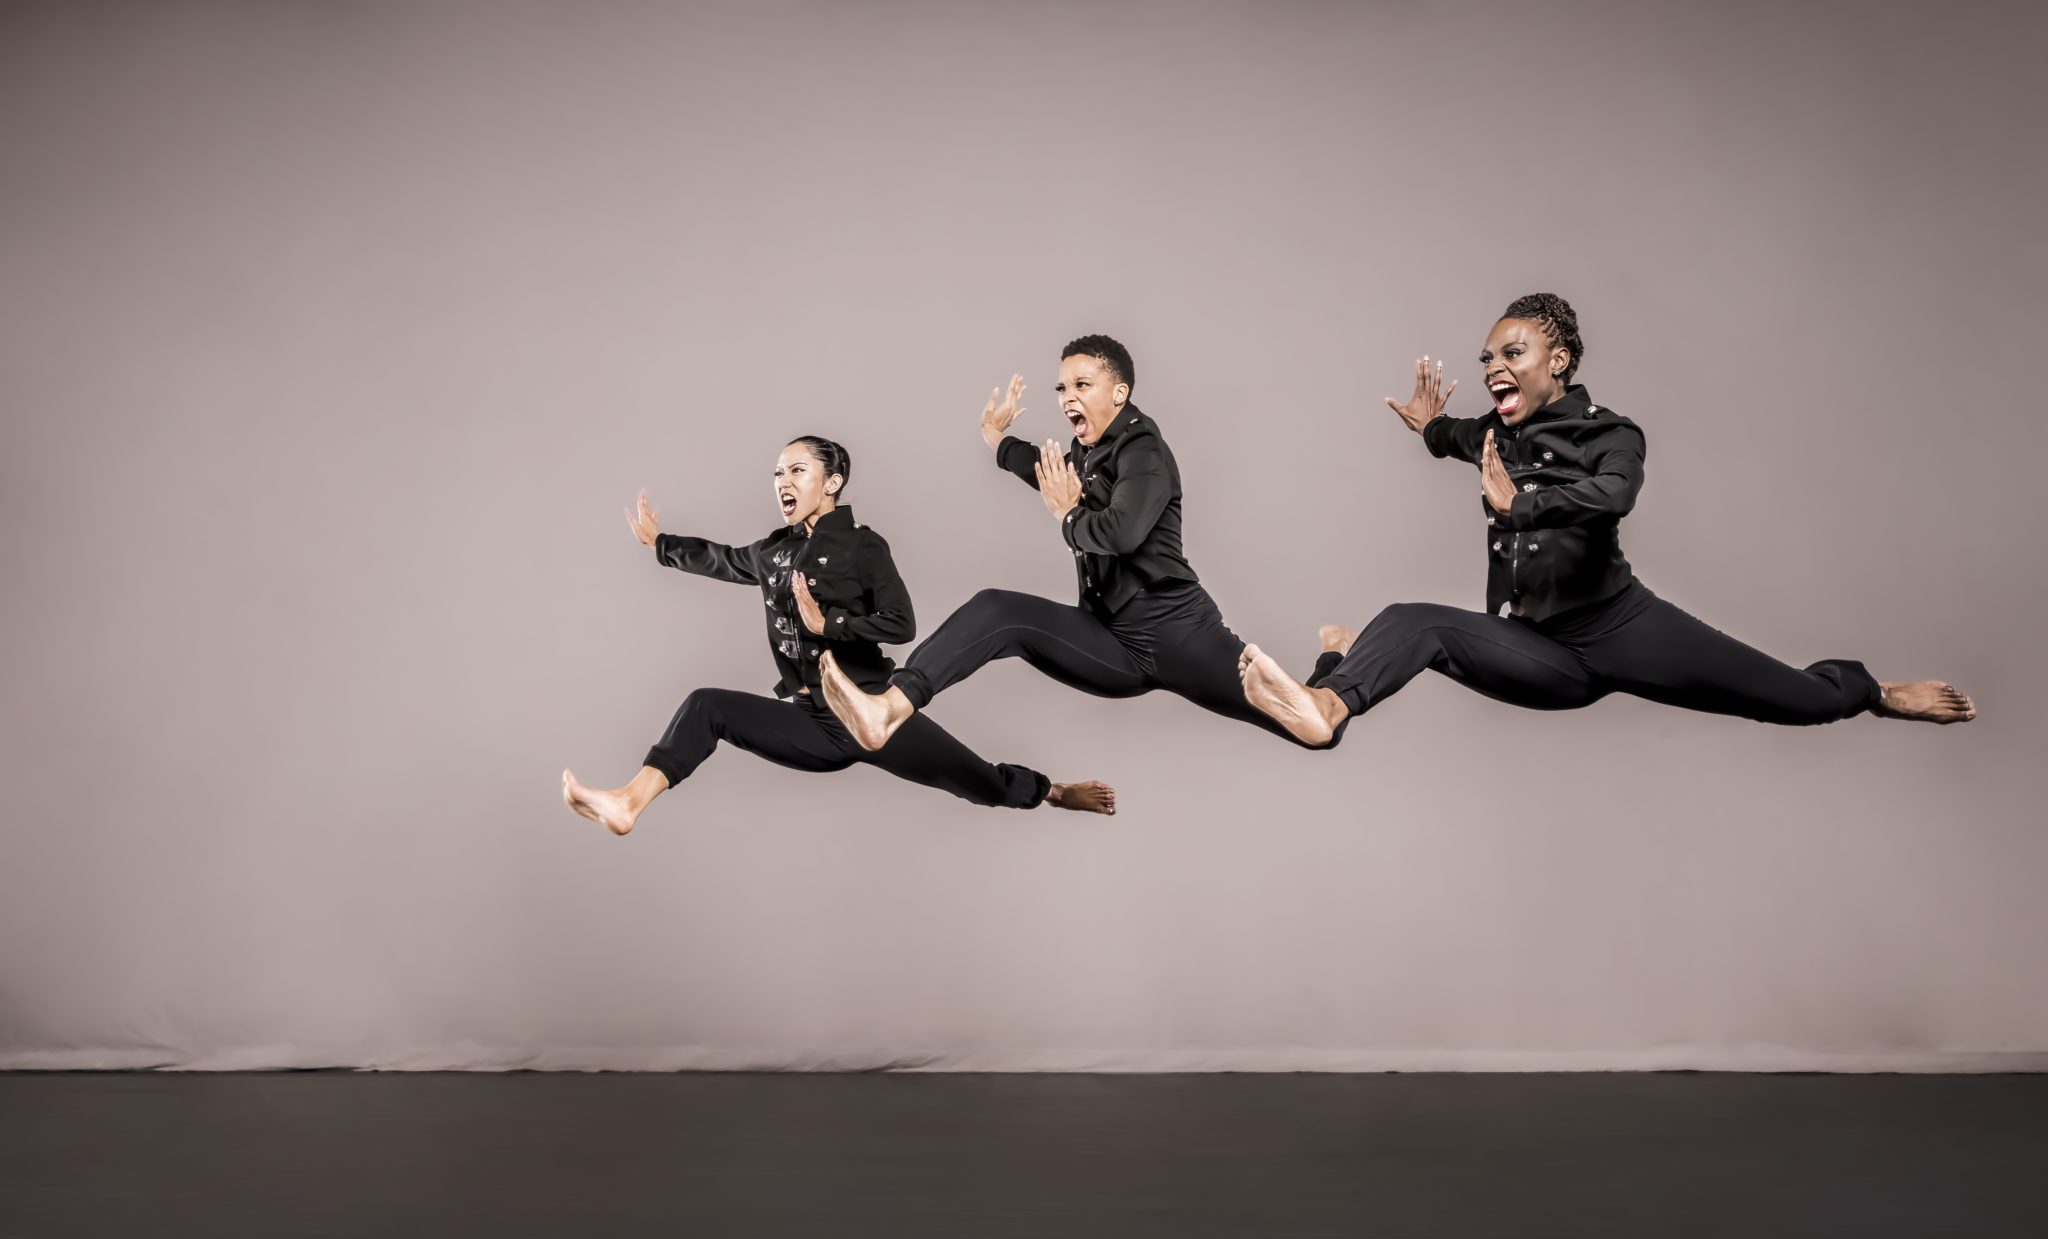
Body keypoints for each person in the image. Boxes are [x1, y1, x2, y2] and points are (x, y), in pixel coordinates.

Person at [1237, 293, 1976, 744]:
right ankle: (1325, 696)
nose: (1495, 365)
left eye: (1513, 352)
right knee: (1413, 619)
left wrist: (1519, 504)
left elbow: (1613, 496)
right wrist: (1431, 428)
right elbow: (1455, 437)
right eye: (1488, 355)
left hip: (1622, 629)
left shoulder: (1611, 434)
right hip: (1538, 651)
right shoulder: (1497, 433)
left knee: (1796, 698)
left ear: (1557, 359)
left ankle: (1876, 693)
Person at [562, 436, 1115, 835]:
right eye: (778, 472)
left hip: (873, 711)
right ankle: (629, 802)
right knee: (706, 705)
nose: (783, 481)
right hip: (813, 722)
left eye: (797, 471)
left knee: (981, 782)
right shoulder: (773, 551)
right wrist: (662, 544)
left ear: (832, 482)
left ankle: (1055, 792)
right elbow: (723, 560)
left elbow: (903, 623)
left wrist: (833, 626)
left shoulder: (863, 546)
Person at [818, 336, 1328, 753]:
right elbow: (1042, 470)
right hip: (1110, 641)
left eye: (1082, 384)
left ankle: (1335, 661)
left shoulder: (1144, 451)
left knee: (1310, 727)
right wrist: (995, 438)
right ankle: (887, 708)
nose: (1067, 397)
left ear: (1119, 393)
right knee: (998, 610)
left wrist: (1066, 515)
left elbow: (1122, 533)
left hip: (1178, 633)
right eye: (1061, 387)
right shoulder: (1089, 450)